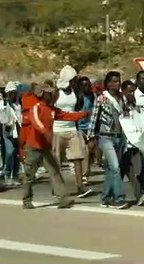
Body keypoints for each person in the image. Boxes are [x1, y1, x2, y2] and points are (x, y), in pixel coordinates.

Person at [21, 81, 87, 209]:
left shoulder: (52, 109)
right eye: (49, 93)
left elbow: (66, 115)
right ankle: (27, 200)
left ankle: (62, 198)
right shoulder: (36, 107)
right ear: (42, 94)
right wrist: (46, 132)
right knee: (29, 175)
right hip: (33, 146)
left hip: (45, 147)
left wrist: (83, 114)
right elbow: (36, 122)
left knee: (55, 171)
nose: (52, 95)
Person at [89, 71, 128, 209]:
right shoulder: (101, 98)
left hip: (119, 137)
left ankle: (105, 197)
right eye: (114, 81)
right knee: (116, 168)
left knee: (112, 170)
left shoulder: (122, 99)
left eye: (118, 81)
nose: (117, 84)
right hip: (106, 137)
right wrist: (91, 137)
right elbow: (94, 118)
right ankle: (118, 198)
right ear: (108, 83)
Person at [53, 65, 92, 197]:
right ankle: (56, 188)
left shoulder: (76, 93)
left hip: (72, 129)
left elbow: (77, 107)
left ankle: (80, 186)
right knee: (56, 161)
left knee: (78, 158)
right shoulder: (56, 93)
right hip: (57, 130)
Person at [0, 81, 22, 186]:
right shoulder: (4, 104)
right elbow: (3, 119)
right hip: (8, 131)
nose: (13, 95)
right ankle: (7, 174)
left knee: (17, 154)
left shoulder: (18, 104)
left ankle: (15, 175)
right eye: (11, 93)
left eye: (14, 93)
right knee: (10, 153)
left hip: (18, 131)